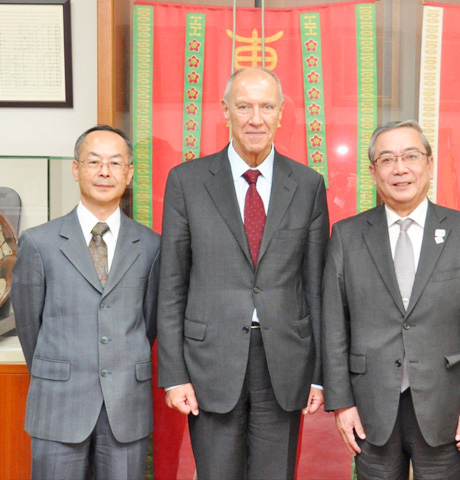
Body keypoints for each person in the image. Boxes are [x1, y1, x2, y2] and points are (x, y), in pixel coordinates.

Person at [157, 67, 329, 480]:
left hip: (284, 361)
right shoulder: (187, 181)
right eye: (244, 106)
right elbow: (172, 283)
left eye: (267, 106)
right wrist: (174, 375)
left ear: (282, 113)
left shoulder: (307, 184)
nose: (256, 118)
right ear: (225, 111)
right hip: (209, 360)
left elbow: (316, 285)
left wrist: (320, 376)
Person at [322, 120, 460, 480]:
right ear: (372, 172)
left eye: (411, 156)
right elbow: (333, 324)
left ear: (429, 164)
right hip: (370, 405)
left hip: (445, 404)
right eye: (387, 160)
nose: (400, 168)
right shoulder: (347, 235)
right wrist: (341, 402)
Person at [11, 125, 160, 479]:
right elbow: (30, 324)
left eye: (115, 163)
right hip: (58, 404)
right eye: (94, 162)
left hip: (126, 405)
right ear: (76, 169)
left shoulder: (152, 245)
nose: (104, 172)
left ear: (129, 173)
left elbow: (150, 322)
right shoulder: (39, 243)